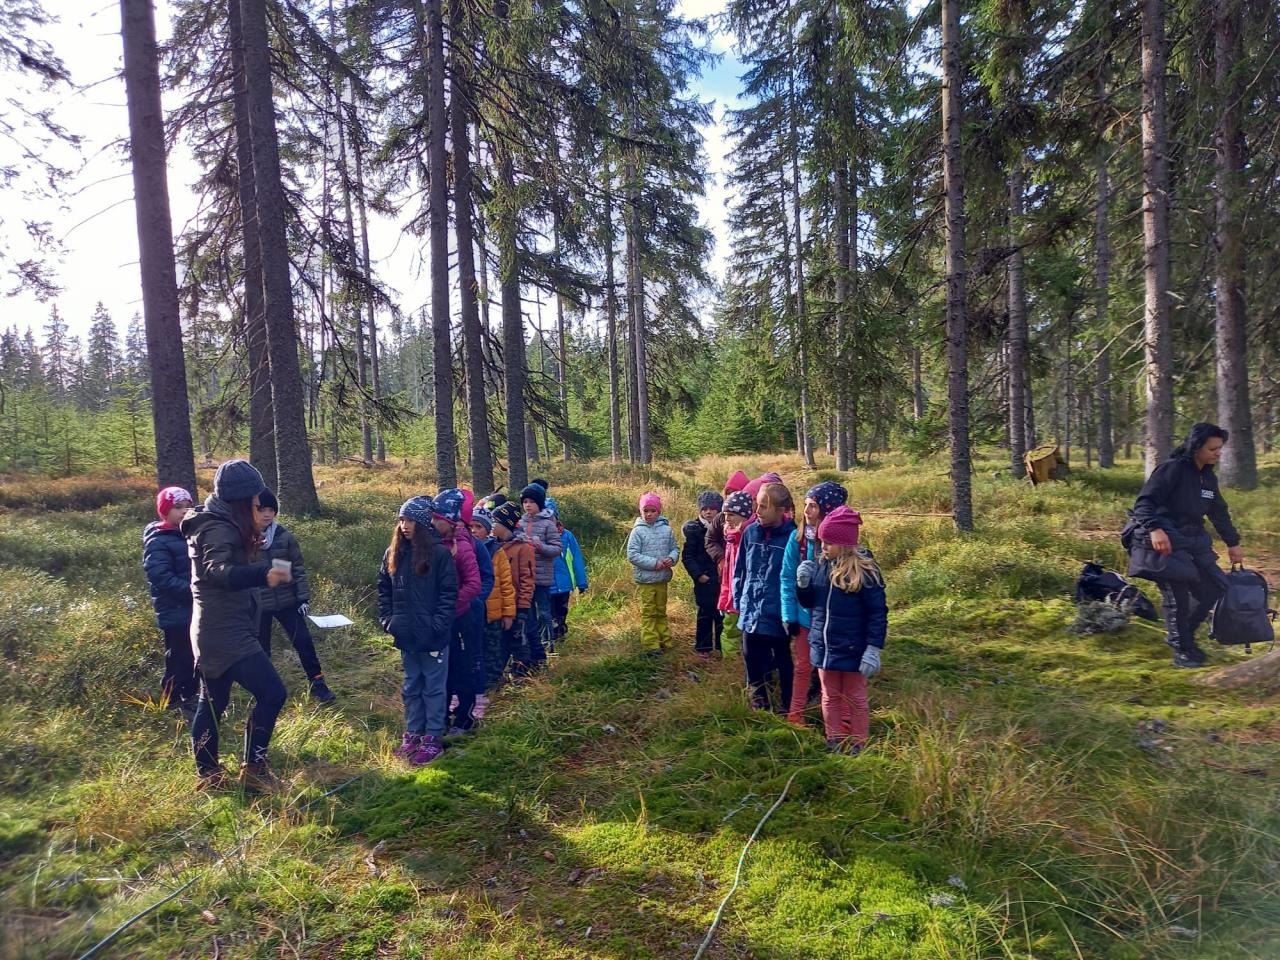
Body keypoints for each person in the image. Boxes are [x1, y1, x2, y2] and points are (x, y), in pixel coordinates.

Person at [182, 460, 292, 792]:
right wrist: (262, 573)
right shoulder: (218, 528)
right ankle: (253, 769)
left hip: (214, 629)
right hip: (225, 633)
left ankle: (209, 775)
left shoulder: (221, 522)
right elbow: (217, 571)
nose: (259, 503)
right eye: (254, 499)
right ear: (241, 500)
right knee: (272, 693)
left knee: (212, 701)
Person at [1128, 422, 1244, 668]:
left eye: (1220, 448)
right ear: (1196, 447)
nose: (1218, 453)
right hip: (1162, 539)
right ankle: (1181, 649)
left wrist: (1233, 543)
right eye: (1212, 449)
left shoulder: (1207, 478)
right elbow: (1144, 503)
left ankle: (1185, 637)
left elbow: (1218, 513)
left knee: (1213, 589)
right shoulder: (1172, 469)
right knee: (1177, 594)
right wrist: (1155, 529)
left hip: (1192, 540)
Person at [796, 506, 887, 754]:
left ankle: (859, 743)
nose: (823, 547)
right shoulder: (821, 566)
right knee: (829, 695)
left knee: (856, 697)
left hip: (854, 648)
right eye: (822, 541)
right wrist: (802, 585)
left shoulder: (866, 573)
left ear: (845, 544)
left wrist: (873, 649)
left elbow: (877, 613)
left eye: (828, 542)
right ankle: (833, 739)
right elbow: (809, 603)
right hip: (824, 646)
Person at [379, 496, 457, 766]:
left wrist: (437, 625)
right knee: (411, 686)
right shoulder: (393, 554)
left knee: (433, 688)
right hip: (406, 635)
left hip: (433, 637)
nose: (404, 525)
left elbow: (449, 594)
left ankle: (433, 738)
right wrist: (389, 621)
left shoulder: (439, 554)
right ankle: (413, 733)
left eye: (410, 520)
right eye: (401, 520)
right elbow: (383, 589)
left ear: (423, 523)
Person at [254, 489, 335, 704]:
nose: (267, 514)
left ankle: (318, 684)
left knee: (304, 642)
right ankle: (264, 690)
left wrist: (303, 598)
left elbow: (296, 569)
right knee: (261, 649)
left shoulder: (284, 537)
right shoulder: (244, 538)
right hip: (260, 604)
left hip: (287, 601)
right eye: (262, 510)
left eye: (271, 510)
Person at [780, 481, 847, 725]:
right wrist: (789, 615)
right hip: (804, 617)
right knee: (802, 666)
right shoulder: (797, 539)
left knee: (837, 670)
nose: (807, 511)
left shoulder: (841, 546)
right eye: (806, 504)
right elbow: (786, 578)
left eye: (814, 506)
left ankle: (843, 718)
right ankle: (795, 714)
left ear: (828, 511)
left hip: (832, 619)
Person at [733, 481, 797, 711]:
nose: (757, 511)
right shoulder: (750, 532)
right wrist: (738, 598)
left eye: (763, 506)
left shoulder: (792, 537)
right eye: (756, 505)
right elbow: (740, 568)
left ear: (781, 511)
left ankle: (788, 703)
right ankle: (758, 698)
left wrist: (792, 613)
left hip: (778, 611)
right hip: (751, 608)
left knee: (782, 658)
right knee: (750, 654)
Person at [431, 489, 485, 734]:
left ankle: (465, 718)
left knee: (464, 667)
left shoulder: (462, 547)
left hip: (462, 617)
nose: (433, 523)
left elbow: (474, 584)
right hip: (442, 619)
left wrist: (451, 605)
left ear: (450, 520)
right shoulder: (434, 545)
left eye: (438, 518)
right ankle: (441, 716)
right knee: (444, 667)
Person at [142, 485, 198, 715]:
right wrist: (192, 590)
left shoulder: (191, 534)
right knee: (178, 657)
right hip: (174, 610)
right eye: (177, 507)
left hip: (195, 608)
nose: (184, 511)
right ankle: (171, 698)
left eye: (187, 506)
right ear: (165, 511)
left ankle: (191, 695)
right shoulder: (158, 540)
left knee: (196, 655)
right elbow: (160, 577)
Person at [627, 492, 681, 655]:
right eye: (646, 511)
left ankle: (664, 640)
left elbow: (675, 548)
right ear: (640, 511)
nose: (649, 514)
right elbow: (632, 554)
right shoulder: (637, 531)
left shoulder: (667, 530)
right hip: (646, 580)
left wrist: (672, 558)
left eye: (652, 511)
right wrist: (654, 563)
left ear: (659, 511)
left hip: (662, 579)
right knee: (649, 612)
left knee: (661, 611)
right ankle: (651, 644)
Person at [491, 500, 539, 673]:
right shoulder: (493, 547)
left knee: (521, 639)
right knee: (503, 640)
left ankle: (524, 671)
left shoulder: (523, 548)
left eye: (494, 522)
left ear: (505, 525)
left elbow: (528, 579)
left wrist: (523, 606)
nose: (491, 525)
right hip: (502, 604)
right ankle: (501, 673)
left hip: (519, 604)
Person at [470, 507, 516, 690]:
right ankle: (476, 684)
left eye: (479, 527)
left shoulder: (497, 552)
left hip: (493, 613)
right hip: (472, 612)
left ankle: (493, 684)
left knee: (493, 650)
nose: (474, 531)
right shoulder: (465, 549)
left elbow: (506, 585)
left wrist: (508, 613)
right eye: (471, 526)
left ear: (488, 530)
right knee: (474, 650)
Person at [518, 483, 562, 656]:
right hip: (524, 577)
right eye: (525, 502)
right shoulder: (519, 523)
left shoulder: (548, 524)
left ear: (539, 503)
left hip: (542, 576)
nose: (528, 505)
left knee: (543, 611)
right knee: (527, 612)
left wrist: (541, 546)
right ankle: (532, 645)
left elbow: (557, 549)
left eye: (532, 502)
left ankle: (548, 644)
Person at [682, 491, 724, 659]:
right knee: (705, 614)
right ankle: (703, 647)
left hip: (721, 579)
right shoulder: (694, 530)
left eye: (712, 508)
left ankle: (721, 646)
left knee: (721, 614)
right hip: (703, 580)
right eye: (704, 509)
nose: (708, 512)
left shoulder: (724, 528)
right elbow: (687, 556)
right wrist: (698, 574)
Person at [548, 497, 589, 643]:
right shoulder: (536, 537)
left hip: (564, 584)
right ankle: (551, 636)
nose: (548, 521)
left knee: (561, 611)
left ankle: (560, 633)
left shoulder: (566, 536)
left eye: (550, 517)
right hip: (546, 585)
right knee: (548, 613)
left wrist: (581, 582)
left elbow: (576, 559)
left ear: (556, 517)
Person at [717, 491, 754, 650]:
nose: (727, 519)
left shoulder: (750, 537)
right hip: (731, 594)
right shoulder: (730, 538)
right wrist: (724, 597)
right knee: (730, 629)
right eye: (725, 515)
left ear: (745, 516)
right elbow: (727, 574)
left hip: (747, 594)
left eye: (731, 515)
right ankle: (730, 660)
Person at [704, 469, 749, 570]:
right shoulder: (721, 517)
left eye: (735, 492)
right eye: (728, 493)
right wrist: (721, 558)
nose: (731, 496)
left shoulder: (752, 519)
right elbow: (710, 540)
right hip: (727, 566)